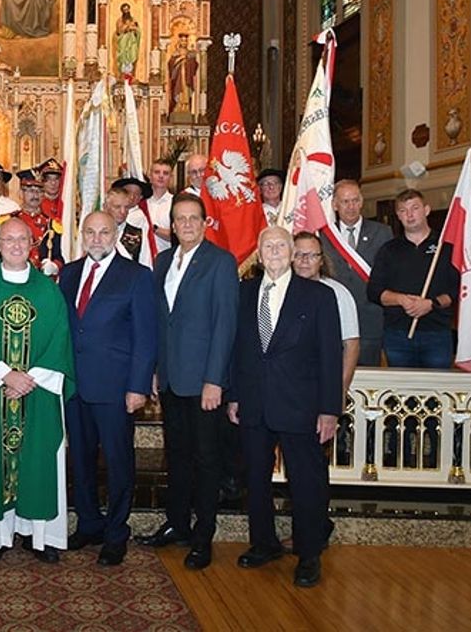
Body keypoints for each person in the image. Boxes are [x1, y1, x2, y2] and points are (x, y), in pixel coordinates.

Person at [228, 226, 341, 589]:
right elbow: (236, 350)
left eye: (281, 245)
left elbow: (330, 358)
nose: (274, 251)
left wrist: (330, 409)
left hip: (302, 406)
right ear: (259, 254)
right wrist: (233, 395)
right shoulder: (242, 293)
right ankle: (264, 543)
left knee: (305, 483)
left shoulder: (319, 296)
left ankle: (309, 553)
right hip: (253, 403)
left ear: (292, 252)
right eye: (267, 246)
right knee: (255, 479)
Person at [0, 218, 75, 563]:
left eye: (21, 239)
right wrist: (5, 375)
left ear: (32, 244)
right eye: (7, 239)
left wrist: (29, 379)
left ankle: (40, 537)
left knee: (39, 460)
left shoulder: (48, 290)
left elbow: (59, 339)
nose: (14, 245)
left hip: (38, 392)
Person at [138, 193, 238, 573]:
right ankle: (177, 524)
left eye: (194, 218)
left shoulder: (220, 262)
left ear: (204, 222)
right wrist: (153, 370)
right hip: (171, 379)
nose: (186, 225)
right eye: (180, 219)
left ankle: (203, 534)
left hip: (203, 382)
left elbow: (225, 325)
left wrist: (215, 380)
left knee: (206, 460)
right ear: (173, 224)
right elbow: (161, 324)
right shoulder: (163, 262)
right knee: (176, 456)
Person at [60, 211, 157, 566]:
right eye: (90, 232)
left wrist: (138, 387)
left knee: (118, 463)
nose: (97, 238)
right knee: (81, 461)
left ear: (116, 235)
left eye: (104, 232)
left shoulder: (136, 276)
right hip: (75, 386)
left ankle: (116, 532)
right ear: (81, 234)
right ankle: (89, 523)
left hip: (117, 389)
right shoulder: (68, 274)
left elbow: (147, 338)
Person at [367, 189, 459, 368]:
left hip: (437, 333)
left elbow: (456, 290)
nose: (409, 215)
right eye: (403, 210)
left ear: (426, 210)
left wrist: (430, 304)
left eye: (414, 208)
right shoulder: (389, 250)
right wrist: (401, 300)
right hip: (397, 334)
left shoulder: (446, 246)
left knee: (437, 392)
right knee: (402, 393)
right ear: (398, 216)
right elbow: (374, 291)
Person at [321, 179, 393, 366]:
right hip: (333, 318)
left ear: (362, 202)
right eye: (345, 202)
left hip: (369, 320)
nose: (351, 206)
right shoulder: (323, 236)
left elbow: (389, 275)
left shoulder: (382, 232)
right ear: (335, 205)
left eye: (355, 200)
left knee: (369, 380)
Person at [293, 232, 359, 394]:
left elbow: (351, 345)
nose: (304, 261)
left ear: (321, 260)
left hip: (322, 381)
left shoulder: (337, 293)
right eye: (298, 254)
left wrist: (341, 388)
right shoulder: (279, 293)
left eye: (312, 255)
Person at [9, 169, 63, 277]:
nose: (35, 195)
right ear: (20, 193)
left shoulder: (51, 224)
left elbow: (59, 257)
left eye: (39, 191)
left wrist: (54, 266)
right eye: (30, 191)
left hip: (41, 280)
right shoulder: (8, 222)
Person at [105, 185, 153, 269]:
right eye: (117, 207)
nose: (123, 211)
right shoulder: (96, 233)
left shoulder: (138, 235)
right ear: (106, 207)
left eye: (126, 207)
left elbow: (146, 265)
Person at [140, 158, 174, 253]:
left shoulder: (176, 203)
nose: (161, 176)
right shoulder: (141, 204)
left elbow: (178, 236)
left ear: (171, 178)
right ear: (150, 176)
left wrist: (154, 229)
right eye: (157, 172)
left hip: (166, 259)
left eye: (166, 173)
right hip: (143, 260)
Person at [167, 34, 197, 114]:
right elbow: (170, 64)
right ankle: (178, 105)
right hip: (178, 76)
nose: (184, 43)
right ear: (179, 42)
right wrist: (180, 58)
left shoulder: (190, 53)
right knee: (178, 90)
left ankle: (186, 107)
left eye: (185, 41)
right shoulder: (176, 53)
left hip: (187, 76)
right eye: (182, 41)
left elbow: (194, 66)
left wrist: (189, 59)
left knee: (186, 90)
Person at [115, 3, 140, 76]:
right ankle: (123, 72)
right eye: (124, 10)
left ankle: (130, 72)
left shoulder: (133, 20)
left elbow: (138, 30)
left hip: (132, 41)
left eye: (127, 9)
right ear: (122, 11)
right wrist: (126, 27)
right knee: (123, 54)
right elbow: (119, 31)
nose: (126, 11)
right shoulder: (119, 20)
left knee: (132, 54)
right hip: (123, 41)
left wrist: (134, 29)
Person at [38, 157, 64, 222]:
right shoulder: (37, 203)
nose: (53, 183)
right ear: (42, 181)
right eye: (49, 179)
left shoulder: (65, 202)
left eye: (56, 179)